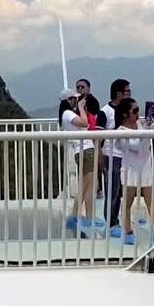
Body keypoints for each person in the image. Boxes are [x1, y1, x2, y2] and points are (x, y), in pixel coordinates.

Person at [115, 98, 154, 244]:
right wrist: (146, 129)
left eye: (138, 110)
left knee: (152, 202)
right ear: (124, 114)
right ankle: (127, 231)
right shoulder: (120, 132)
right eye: (134, 111)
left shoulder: (142, 124)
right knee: (127, 202)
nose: (137, 113)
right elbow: (135, 146)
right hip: (130, 170)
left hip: (146, 168)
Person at [59, 88, 97, 231]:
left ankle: (82, 216)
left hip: (84, 150)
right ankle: (77, 216)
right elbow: (84, 123)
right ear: (68, 100)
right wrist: (81, 108)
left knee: (86, 185)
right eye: (75, 99)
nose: (77, 101)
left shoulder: (67, 114)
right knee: (86, 184)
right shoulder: (68, 113)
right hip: (84, 150)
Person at [100, 79, 132, 237]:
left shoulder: (126, 110)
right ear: (119, 93)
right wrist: (100, 158)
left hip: (125, 156)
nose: (129, 93)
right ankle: (110, 222)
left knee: (120, 190)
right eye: (127, 91)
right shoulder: (105, 111)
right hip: (111, 155)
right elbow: (98, 135)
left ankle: (116, 220)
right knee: (112, 190)